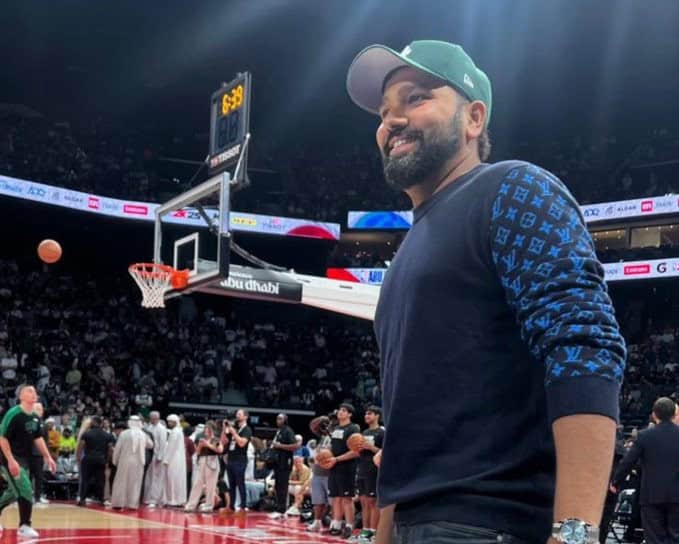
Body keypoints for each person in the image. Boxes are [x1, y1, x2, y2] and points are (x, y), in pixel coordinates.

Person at [345, 40, 626, 544]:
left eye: (416, 98)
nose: (393, 121)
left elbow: (585, 346)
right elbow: (407, 424)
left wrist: (577, 532)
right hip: (417, 522)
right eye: (385, 112)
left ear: (474, 119)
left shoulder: (514, 189)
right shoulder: (409, 249)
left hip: (488, 523)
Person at [611, 398, 679, 543]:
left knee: (653, 539)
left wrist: (616, 482)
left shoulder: (644, 436)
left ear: (654, 415)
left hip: (651, 495)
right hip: (676, 495)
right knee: (676, 537)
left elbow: (628, 462)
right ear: (674, 414)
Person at [0, 385, 56, 538]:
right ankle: (25, 525)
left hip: (25, 459)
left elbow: (38, 438)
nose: (34, 393)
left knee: (13, 492)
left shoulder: (35, 417)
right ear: (21, 396)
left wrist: (48, 456)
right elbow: (2, 438)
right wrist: (10, 460)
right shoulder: (13, 414)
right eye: (29, 391)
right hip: (10, 458)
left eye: (35, 391)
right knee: (25, 488)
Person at [325, 403, 360, 539]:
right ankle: (336, 523)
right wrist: (325, 457)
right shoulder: (336, 429)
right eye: (339, 410)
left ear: (350, 414)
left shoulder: (353, 428)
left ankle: (350, 525)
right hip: (334, 466)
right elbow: (332, 449)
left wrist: (337, 459)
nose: (340, 412)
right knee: (335, 497)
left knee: (347, 498)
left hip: (347, 467)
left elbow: (356, 451)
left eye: (344, 410)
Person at [111, 416, 153, 510]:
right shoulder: (143, 434)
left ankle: (118, 503)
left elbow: (118, 448)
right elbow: (151, 445)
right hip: (139, 462)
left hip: (124, 461)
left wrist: (115, 460)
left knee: (121, 482)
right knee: (135, 483)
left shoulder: (124, 433)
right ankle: (132, 504)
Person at [356, 406, 385, 542]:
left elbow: (385, 452)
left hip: (374, 470)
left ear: (377, 416)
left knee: (372, 501)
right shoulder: (364, 432)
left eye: (370, 414)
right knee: (363, 502)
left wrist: (371, 447)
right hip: (362, 468)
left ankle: (374, 532)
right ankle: (365, 530)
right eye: (366, 414)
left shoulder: (382, 432)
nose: (366, 416)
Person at [185, 421, 223, 512]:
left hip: (212, 461)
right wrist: (200, 446)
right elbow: (197, 452)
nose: (206, 433)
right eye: (205, 431)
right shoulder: (201, 439)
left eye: (208, 431)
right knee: (197, 483)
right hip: (202, 460)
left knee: (211, 485)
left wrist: (208, 445)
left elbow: (220, 450)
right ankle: (191, 504)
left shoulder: (216, 439)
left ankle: (209, 505)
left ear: (212, 431)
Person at [76, 415, 114, 506]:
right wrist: (107, 461)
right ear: (101, 424)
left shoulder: (87, 434)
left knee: (85, 479)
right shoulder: (107, 435)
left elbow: (80, 447)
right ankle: (101, 500)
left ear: (94, 422)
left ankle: (82, 499)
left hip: (88, 459)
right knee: (101, 480)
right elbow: (110, 450)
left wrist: (78, 458)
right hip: (101, 459)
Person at [306, 415, 332, 533]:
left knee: (330, 501)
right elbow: (313, 426)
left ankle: (334, 523)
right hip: (317, 471)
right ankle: (317, 522)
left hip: (329, 472)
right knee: (317, 500)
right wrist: (321, 419)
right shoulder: (322, 437)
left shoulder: (334, 437)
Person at [268, 413, 297, 519]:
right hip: (278, 462)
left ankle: (282, 510)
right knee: (278, 486)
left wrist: (279, 446)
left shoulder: (288, 431)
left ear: (285, 420)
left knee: (283, 486)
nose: (278, 420)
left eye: (280, 419)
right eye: (277, 418)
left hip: (285, 462)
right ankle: (278, 508)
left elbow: (294, 446)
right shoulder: (279, 431)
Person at [225, 409, 252, 514]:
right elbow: (225, 441)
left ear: (245, 417)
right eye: (237, 414)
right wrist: (225, 429)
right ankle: (231, 506)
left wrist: (233, 432)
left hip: (240, 459)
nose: (237, 416)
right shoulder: (235, 428)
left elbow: (241, 443)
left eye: (239, 414)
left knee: (240, 483)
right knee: (231, 484)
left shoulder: (247, 430)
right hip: (231, 458)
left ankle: (243, 506)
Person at [162, 414, 186, 507]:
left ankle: (172, 500)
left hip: (173, 459)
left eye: (170, 422)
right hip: (177, 459)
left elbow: (171, 447)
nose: (169, 423)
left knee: (171, 479)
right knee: (176, 479)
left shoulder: (175, 432)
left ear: (175, 422)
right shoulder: (179, 431)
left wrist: (166, 459)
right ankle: (176, 499)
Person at [143, 411, 167, 508]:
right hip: (150, 455)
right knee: (149, 477)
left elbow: (162, 443)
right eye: (150, 418)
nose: (151, 420)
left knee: (156, 478)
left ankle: (154, 499)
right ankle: (148, 498)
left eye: (152, 418)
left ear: (157, 418)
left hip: (157, 456)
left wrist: (160, 457)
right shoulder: (149, 427)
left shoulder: (162, 429)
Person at [29, 401, 48, 505]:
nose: (41, 411)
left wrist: (46, 455)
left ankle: (38, 497)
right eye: (38, 409)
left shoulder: (44, 424)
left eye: (41, 409)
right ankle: (26, 497)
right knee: (27, 476)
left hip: (39, 454)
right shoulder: (28, 422)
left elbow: (46, 441)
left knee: (39, 476)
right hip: (27, 454)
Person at [183, 426, 196, 494]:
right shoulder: (189, 441)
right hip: (188, 463)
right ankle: (187, 495)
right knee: (188, 480)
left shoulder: (182, 439)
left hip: (181, 463)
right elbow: (193, 451)